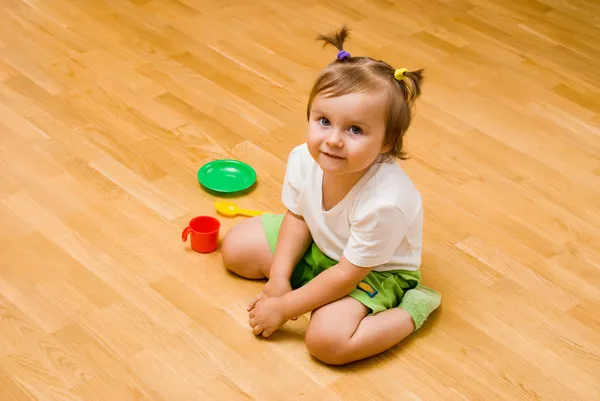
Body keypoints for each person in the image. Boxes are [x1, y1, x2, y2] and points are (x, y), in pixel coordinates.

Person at [221, 25, 441, 365]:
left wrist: (283, 306)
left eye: (355, 129)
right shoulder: (303, 158)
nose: (334, 140)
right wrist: (278, 279)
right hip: (323, 247)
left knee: (327, 343)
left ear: (386, 144)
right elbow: (297, 217)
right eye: (324, 121)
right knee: (235, 248)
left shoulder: (386, 202)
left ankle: (412, 310)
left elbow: (346, 275)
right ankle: (306, 281)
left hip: (371, 271)